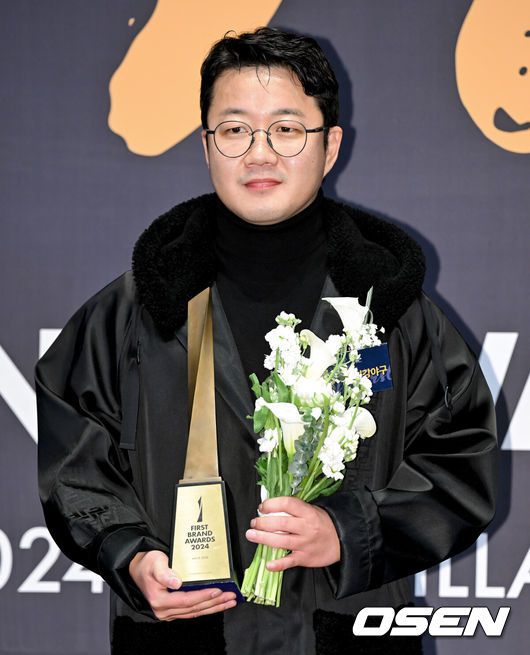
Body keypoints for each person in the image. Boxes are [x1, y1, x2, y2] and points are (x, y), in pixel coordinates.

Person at [36, 27, 497, 655]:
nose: (260, 154)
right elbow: (73, 461)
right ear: (206, 145)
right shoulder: (135, 310)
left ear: (330, 146)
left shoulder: (389, 310)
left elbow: (461, 462)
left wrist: (349, 532)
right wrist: (129, 555)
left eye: (286, 129)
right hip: (185, 636)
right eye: (235, 130)